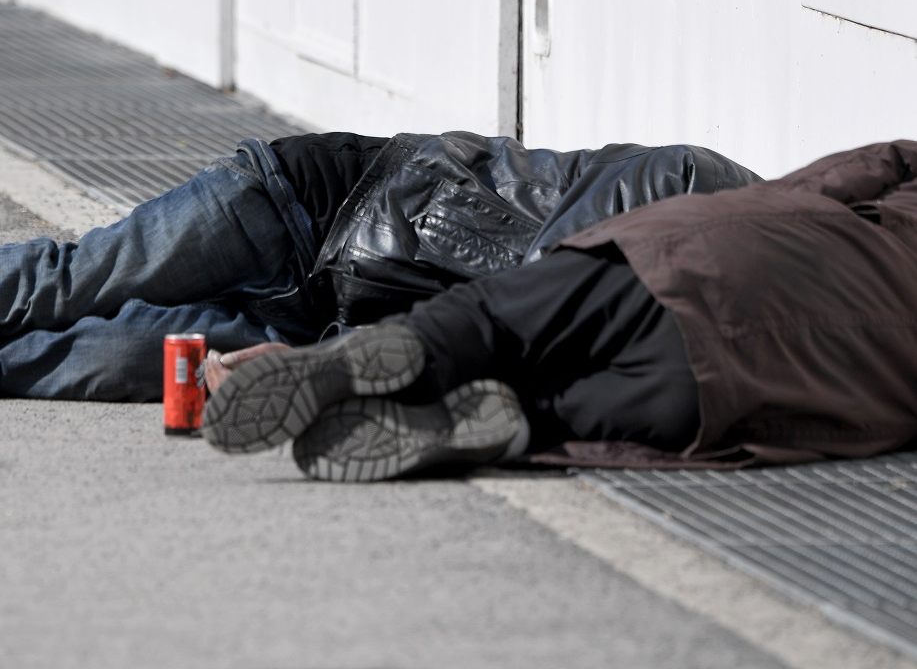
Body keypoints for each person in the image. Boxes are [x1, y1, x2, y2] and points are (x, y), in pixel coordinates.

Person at [0, 132, 758, 401]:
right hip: (306, 201)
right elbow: (518, 272)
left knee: (100, 359)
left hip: (327, 319)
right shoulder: (690, 186)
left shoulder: (684, 316)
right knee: (57, 283)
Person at [202, 140, 917, 481]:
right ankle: (507, 425)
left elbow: (838, 178)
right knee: (559, 411)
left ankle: (385, 352)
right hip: (760, 386)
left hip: (710, 263)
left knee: (494, 319)